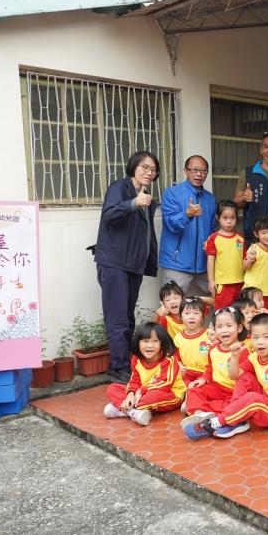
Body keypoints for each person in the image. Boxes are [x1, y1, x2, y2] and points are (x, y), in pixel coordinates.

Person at [93, 151, 160, 383]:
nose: (149, 172)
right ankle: (118, 366)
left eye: (153, 170)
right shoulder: (119, 188)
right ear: (133, 167)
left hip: (133, 264)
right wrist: (133, 203)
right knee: (118, 318)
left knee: (128, 316)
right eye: (144, 167)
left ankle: (126, 361)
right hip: (114, 263)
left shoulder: (146, 196)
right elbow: (109, 215)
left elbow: (146, 234)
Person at [182, 314, 268, 439]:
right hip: (263, 400)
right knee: (245, 377)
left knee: (252, 398)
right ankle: (236, 419)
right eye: (256, 337)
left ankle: (212, 424)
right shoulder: (254, 357)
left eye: (266, 337)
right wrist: (235, 357)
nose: (260, 342)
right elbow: (234, 376)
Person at [103, 322, 185, 426]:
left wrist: (141, 390)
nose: (150, 345)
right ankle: (133, 412)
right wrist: (130, 394)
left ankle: (121, 409)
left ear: (162, 344)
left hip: (170, 394)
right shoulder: (136, 359)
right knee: (112, 388)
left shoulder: (168, 360)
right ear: (138, 343)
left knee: (152, 397)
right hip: (142, 393)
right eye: (145, 341)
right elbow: (134, 381)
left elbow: (165, 384)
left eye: (155, 341)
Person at [159, 155, 217, 297]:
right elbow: (170, 224)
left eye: (203, 171)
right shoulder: (171, 193)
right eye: (195, 170)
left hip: (204, 266)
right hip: (177, 264)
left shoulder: (210, 198)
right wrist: (187, 215)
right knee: (173, 305)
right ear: (186, 171)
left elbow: (212, 230)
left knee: (213, 303)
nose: (199, 174)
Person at [183, 307, 247, 421]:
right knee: (194, 389)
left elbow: (245, 376)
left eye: (229, 325)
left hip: (234, 392)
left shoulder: (243, 350)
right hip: (216, 388)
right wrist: (203, 379)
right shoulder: (213, 349)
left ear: (239, 327)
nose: (224, 330)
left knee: (232, 407)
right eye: (219, 326)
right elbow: (209, 369)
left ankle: (195, 406)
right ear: (214, 329)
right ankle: (199, 413)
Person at [206, 201, 246, 310]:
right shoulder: (214, 238)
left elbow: (244, 260)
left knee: (238, 314)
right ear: (218, 218)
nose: (229, 221)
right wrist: (211, 281)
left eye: (232, 218)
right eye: (225, 218)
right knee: (222, 312)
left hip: (240, 283)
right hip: (222, 284)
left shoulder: (240, 238)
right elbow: (210, 260)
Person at [172, 297, 211, 387]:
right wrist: (179, 365)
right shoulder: (178, 337)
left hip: (205, 374)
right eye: (187, 313)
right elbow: (175, 357)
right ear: (181, 316)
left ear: (202, 317)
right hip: (186, 373)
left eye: (196, 313)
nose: (191, 317)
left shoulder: (209, 335)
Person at [243, 216, 268, 308]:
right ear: (256, 234)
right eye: (263, 233)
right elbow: (244, 267)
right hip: (253, 291)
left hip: (266, 290)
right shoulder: (254, 248)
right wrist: (250, 259)